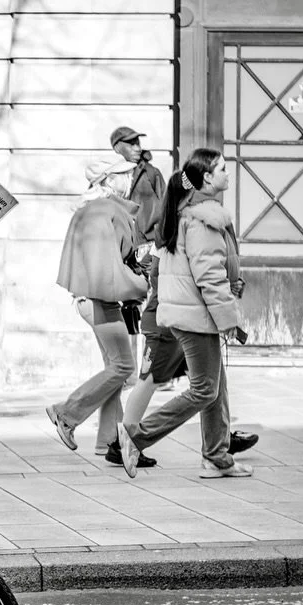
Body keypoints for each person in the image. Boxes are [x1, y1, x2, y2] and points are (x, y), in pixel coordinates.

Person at [117, 148, 251, 479]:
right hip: (197, 316)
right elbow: (209, 276)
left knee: (215, 386)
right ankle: (137, 434)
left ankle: (217, 456)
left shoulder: (185, 215)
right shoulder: (205, 220)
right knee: (205, 389)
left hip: (188, 313)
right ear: (206, 178)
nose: (227, 173)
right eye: (221, 168)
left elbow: (165, 271)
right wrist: (229, 318)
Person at [45, 156, 149, 460]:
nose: (129, 179)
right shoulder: (105, 211)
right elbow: (109, 269)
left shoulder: (93, 209)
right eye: (123, 174)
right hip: (99, 299)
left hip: (93, 298)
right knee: (123, 367)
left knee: (115, 370)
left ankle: (109, 442)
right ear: (107, 180)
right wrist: (143, 282)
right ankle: (68, 413)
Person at [109, 125, 167, 247]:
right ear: (117, 148)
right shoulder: (107, 176)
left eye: (138, 143)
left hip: (148, 245)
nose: (138, 148)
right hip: (118, 245)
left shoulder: (151, 173)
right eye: (131, 144)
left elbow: (167, 206)